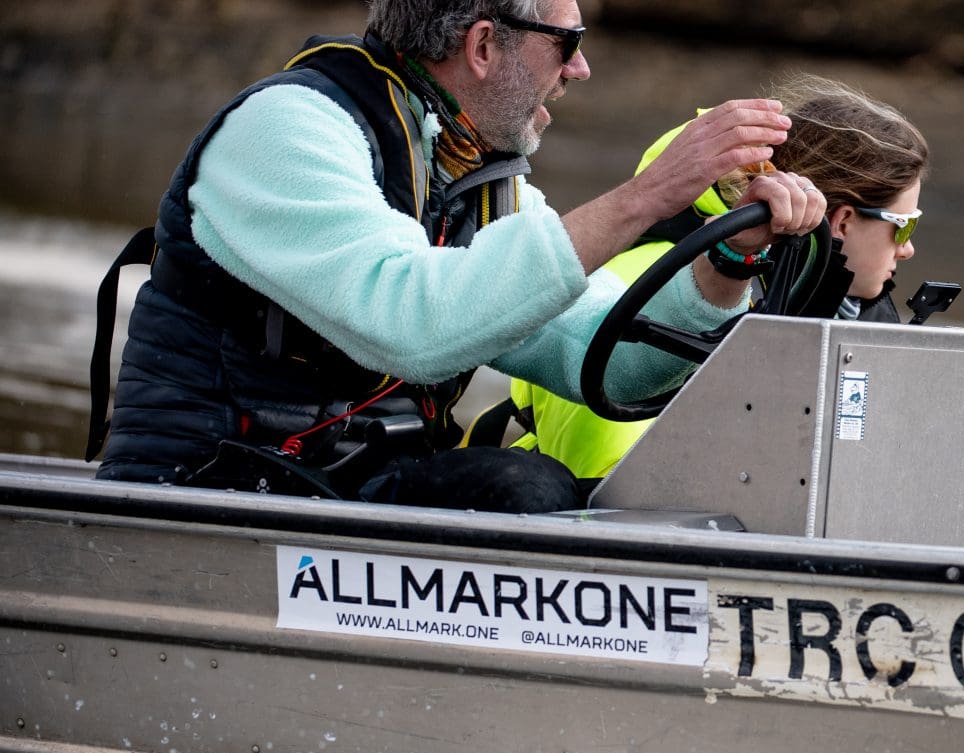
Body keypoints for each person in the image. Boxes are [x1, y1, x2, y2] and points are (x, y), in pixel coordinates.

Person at [85, 0, 827, 514]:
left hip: (340, 486)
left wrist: (728, 261)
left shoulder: (477, 176)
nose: (580, 69)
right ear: (483, 46)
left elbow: (604, 363)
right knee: (525, 490)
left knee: (553, 492)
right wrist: (646, 198)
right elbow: (414, 324)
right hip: (201, 487)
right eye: (567, 42)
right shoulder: (288, 128)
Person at [502, 73, 929, 480]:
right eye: (904, 227)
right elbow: (602, 474)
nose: (907, 249)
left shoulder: (837, 310)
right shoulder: (640, 277)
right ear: (844, 222)